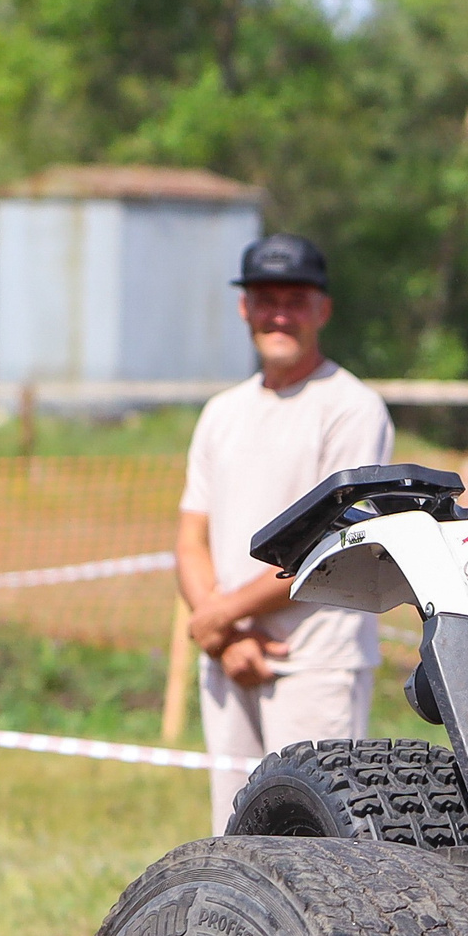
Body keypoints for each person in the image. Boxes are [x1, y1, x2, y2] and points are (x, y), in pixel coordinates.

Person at [176, 233, 395, 832]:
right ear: (244, 307)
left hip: (315, 661)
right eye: (265, 299)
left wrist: (219, 618)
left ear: (322, 309)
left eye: (295, 300)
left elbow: (332, 542)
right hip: (229, 659)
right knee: (234, 839)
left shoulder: (352, 408)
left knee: (319, 842)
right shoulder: (221, 412)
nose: (279, 314)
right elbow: (191, 536)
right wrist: (224, 637)